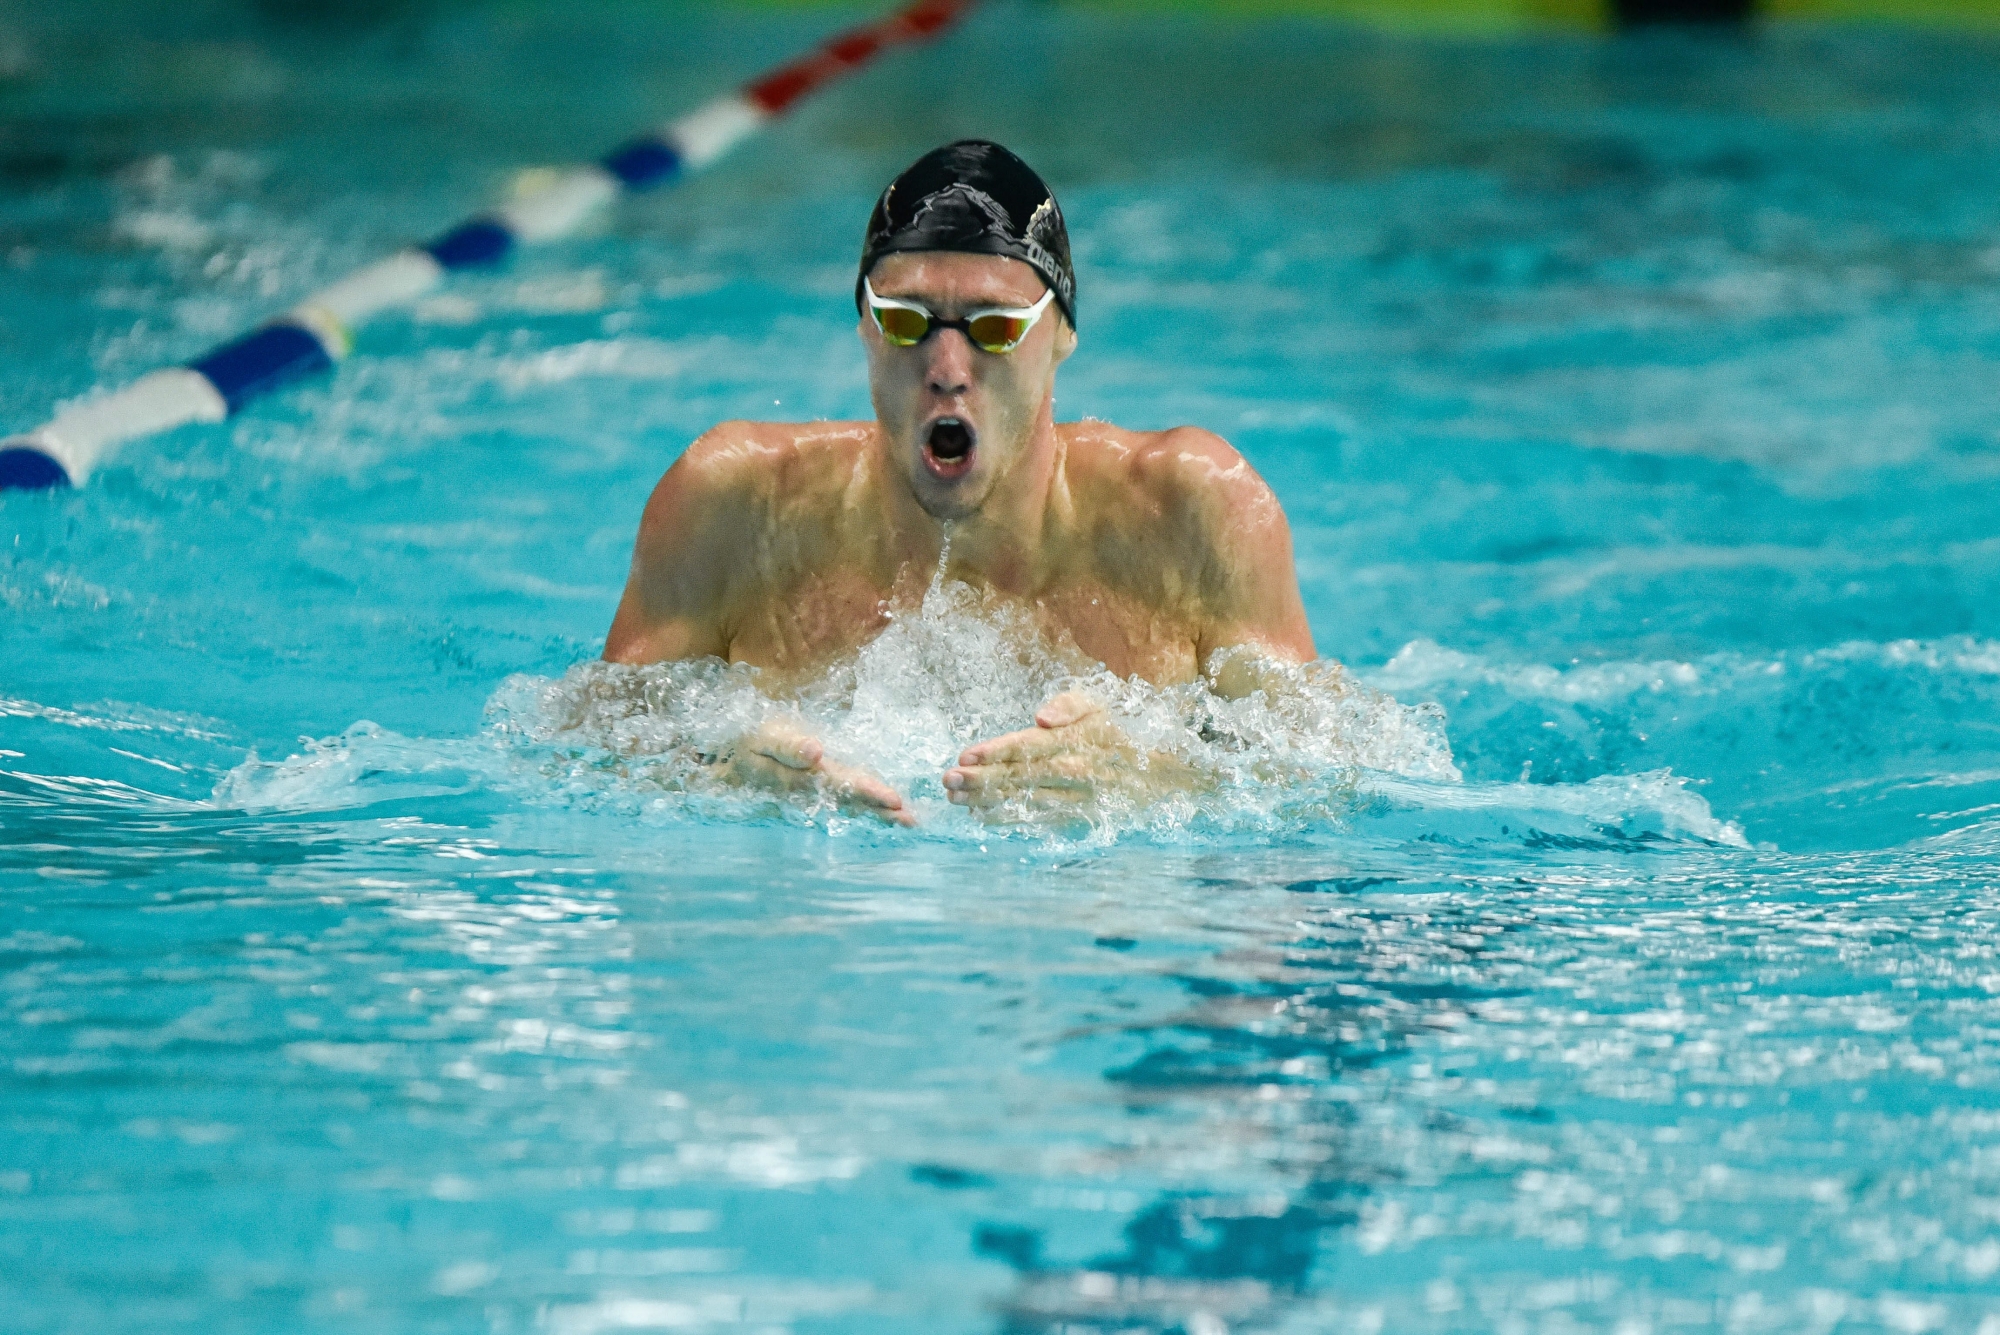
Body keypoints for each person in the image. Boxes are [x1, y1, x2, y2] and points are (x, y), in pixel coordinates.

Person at [603, 140, 1316, 826]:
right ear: (863, 326)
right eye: (906, 321)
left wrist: (1159, 779)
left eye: (996, 327)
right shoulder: (734, 507)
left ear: (1063, 332)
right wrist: (711, 777)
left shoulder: (1195, 510)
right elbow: (576, 749)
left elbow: (1332, 774)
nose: (947, 366)